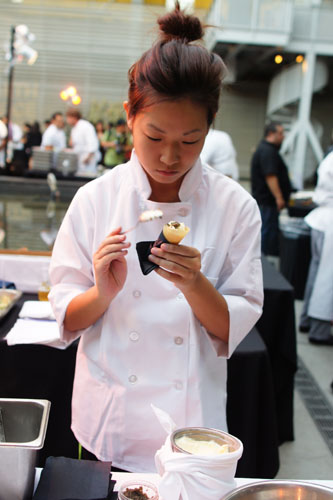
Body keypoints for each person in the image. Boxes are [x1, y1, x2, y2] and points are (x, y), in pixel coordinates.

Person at [49, 3, 263, 473]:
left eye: (190, 140)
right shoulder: (94, 199)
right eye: (155, 135)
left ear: (210, 128)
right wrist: (104, 291)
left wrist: (193, 284)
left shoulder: (235, 207)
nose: (170, 156)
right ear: (129, 116)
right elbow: (67, 314)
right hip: (109, 417)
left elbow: (233, 328)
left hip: (192, 424)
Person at [299, 151, 333, 345]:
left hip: (321, 220)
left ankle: (306, 320)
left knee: (316, 273)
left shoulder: (330, 156)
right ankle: (319, 328)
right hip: (329, 221)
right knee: (327, 277)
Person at [251, 122, 293, 256]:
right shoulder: (268, 151)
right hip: (267, 202)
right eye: (280, 133)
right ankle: (263, 262)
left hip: (267, 202)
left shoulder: (268, 150)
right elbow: (271, 176)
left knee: (268, 233)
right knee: (266, 234)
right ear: (271, 134)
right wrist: (279, 197)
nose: (283, 136)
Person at [65, 108, 100, 175]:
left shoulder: (85, 126)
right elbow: (73, 144)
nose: (67, 120)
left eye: (68, 118)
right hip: (79, 161)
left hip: (88, 161)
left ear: (74, 117)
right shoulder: (74, 128)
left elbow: (93, 143)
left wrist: (88, 157)